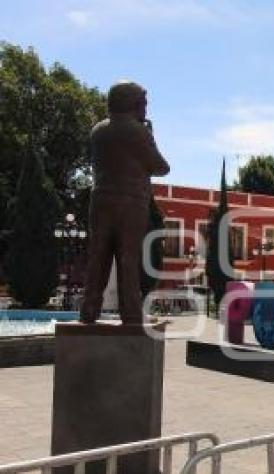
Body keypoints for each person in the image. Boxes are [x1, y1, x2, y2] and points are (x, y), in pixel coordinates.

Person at [80, 81, 170, 324]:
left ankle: (88, 310)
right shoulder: (137, 131)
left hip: (100, 200)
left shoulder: (98, 130)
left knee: (98, 255)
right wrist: (149, 134)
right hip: (130, 202)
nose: (145, 109)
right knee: (128, 258)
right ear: (132, 103)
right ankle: (130, 313)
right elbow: (161, 167)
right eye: (143, 104)